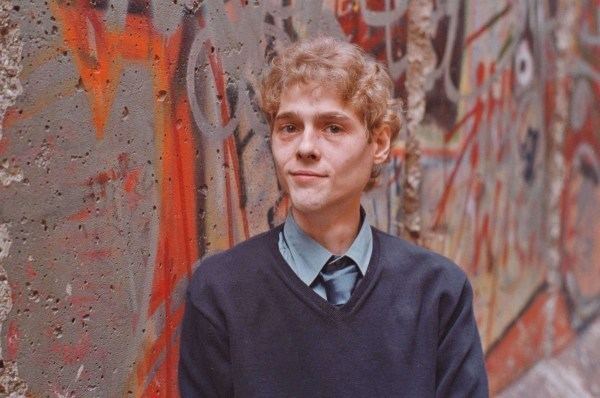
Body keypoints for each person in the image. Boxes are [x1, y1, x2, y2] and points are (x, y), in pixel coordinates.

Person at [178, 36, 489, 397]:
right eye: (289, 127)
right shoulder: (220, 293)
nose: (306, 148)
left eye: (333, 128)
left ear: (380, 143)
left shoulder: (437, 292)